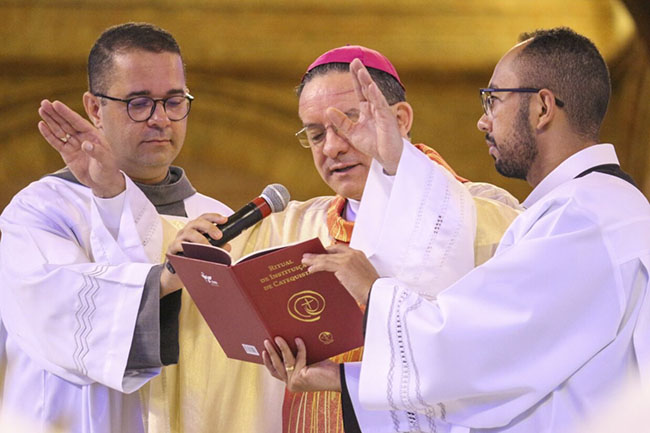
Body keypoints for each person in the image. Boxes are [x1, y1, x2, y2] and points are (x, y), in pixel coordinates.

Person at [266, 28, 650, 433]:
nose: (483, 120)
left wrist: (373, 290)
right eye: (314, 135)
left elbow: (473, 346)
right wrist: (342, 379)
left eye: (494, 100)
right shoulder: (593, 210)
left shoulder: (583, 220)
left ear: (542, 108)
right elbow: (504, 374)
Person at [148, 45, 521, 433]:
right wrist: (184, 255)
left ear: (400, 119)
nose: (332, 147)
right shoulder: (294, 227)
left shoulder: (483, 216)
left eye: (348, 124)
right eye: (314, 134)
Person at [0, 22, 238, 433]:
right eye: (139, 102)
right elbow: (62, 313)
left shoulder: (217, 218)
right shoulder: (41, 210)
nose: (160, 119)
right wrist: (161, 279)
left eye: (174, 101)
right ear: (94, 108)